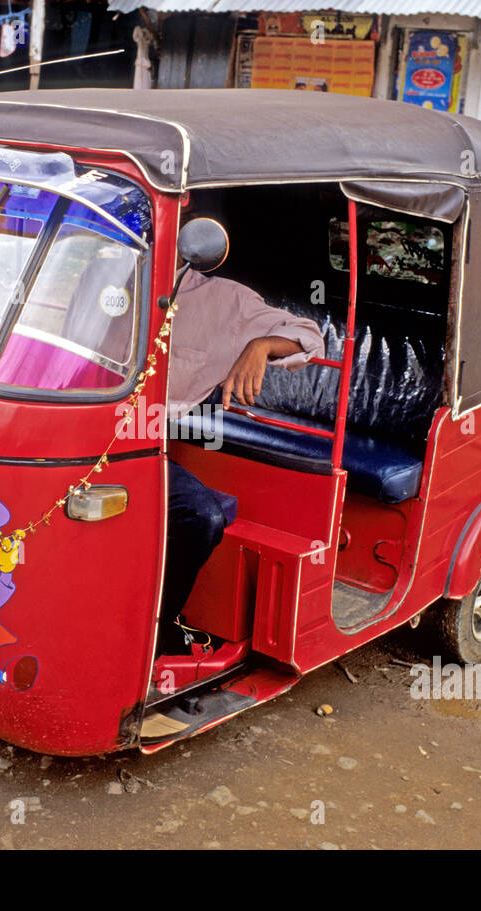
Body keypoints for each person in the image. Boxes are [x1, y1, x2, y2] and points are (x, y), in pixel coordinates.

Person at [158, 248, 325, 654]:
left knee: (200, 517)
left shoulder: (225, 301)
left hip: (142, 445)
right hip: (83, 430)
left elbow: (309, 335)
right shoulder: (106, 271)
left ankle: (160, 627)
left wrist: (261, 344)